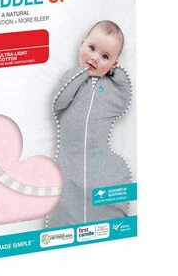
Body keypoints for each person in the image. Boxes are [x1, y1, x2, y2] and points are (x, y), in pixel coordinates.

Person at [46, 20, 132, 228]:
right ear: (82, 45)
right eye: (91, 48)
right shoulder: (72, 77)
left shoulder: (110, 88)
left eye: (105, 57)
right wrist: (81, 73)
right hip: (69, 159)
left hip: (99, 161)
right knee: (64, 198)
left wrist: (115, 72)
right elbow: (59, 102)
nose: (95, 58)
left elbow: (123, 102)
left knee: (103, 195)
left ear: (113, 64)